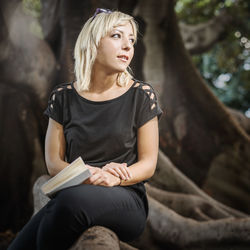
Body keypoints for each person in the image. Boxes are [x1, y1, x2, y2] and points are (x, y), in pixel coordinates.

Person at [8, 8, 163, 250]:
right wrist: (89, 174)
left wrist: (114, 178)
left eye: (131, 40)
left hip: (125, 198)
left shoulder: (141, 95)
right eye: (117, 36)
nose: (127, 46)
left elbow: (148, 164)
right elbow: (53, 162)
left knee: (69, 202)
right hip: (74, 194)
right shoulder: (62, 97)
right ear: (93, 42)